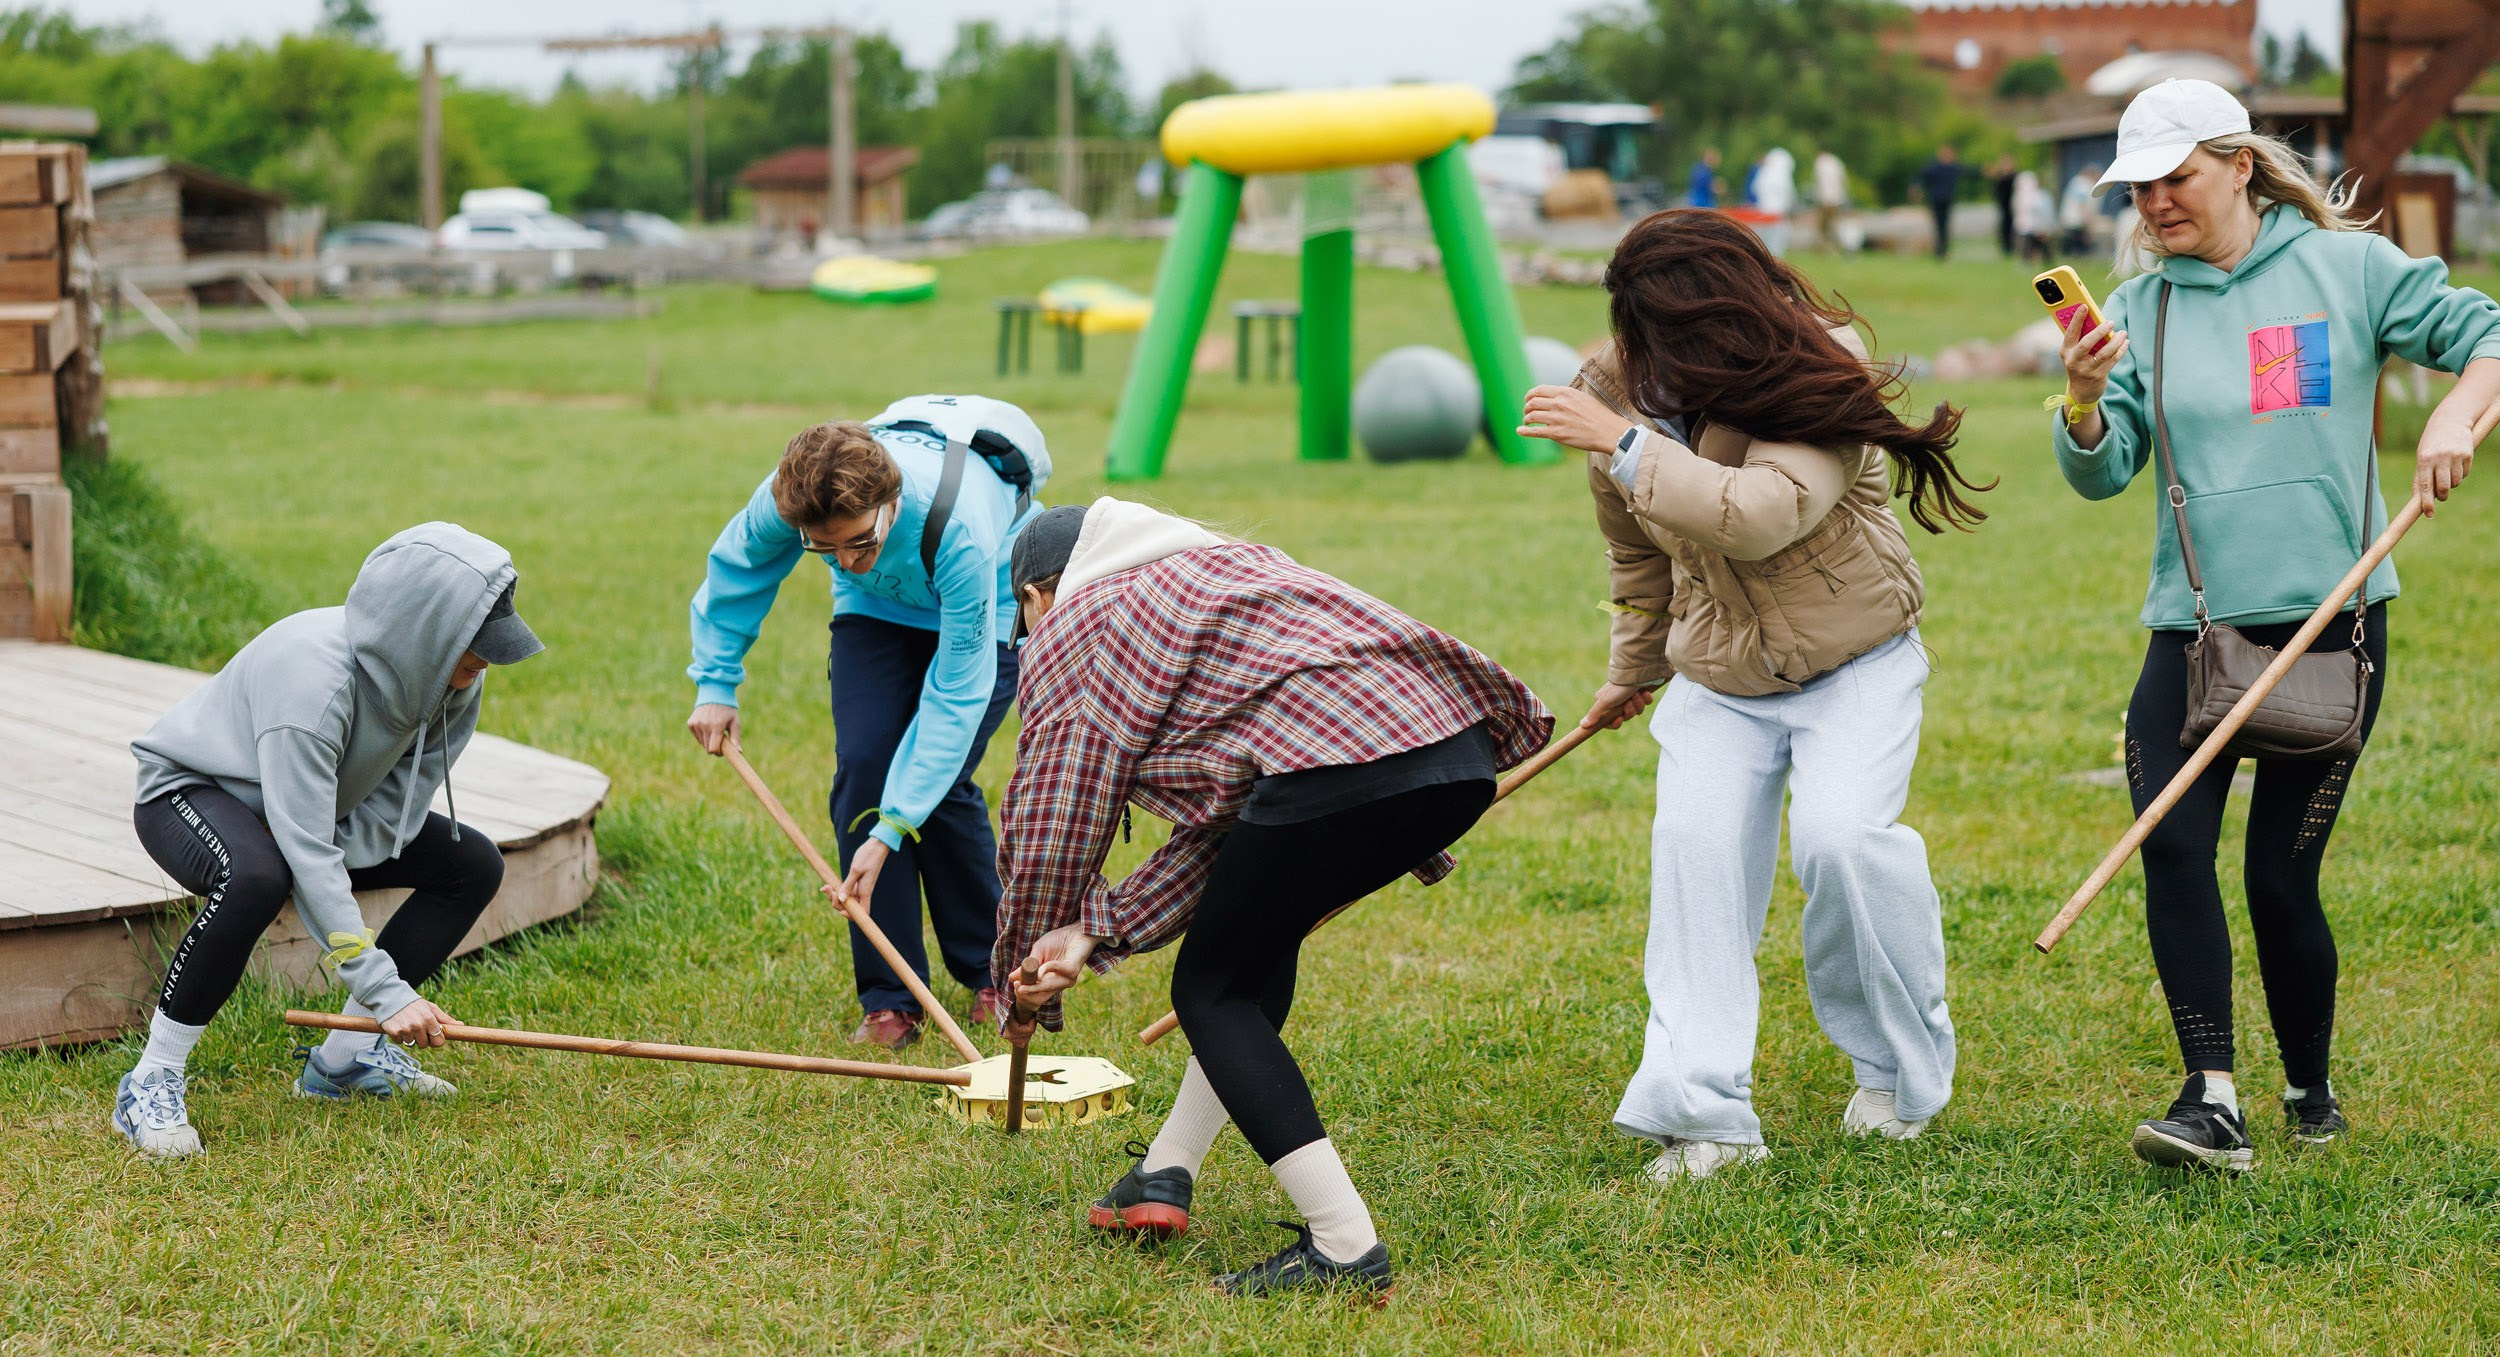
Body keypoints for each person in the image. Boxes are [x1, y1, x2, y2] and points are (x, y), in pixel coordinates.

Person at [2050, 79, 2500, 1171]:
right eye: (2139, 186)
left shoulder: (2343, 269)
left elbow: (2484, 329)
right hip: (2193, 632)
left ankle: (2309, 1087)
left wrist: (2452, 405)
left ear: (2238, 165)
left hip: (2330, 631)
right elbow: (2105, 471)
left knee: (2277, 879)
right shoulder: (2140, 310)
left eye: (2176, 178)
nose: (2155, 203)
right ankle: (2212, 1099)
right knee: (2170, 840)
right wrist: (2078, 397)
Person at [1517, 210, 1989, 1181]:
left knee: (1841, 843)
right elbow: (1636, 552)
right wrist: (1631, 666)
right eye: (1637, 329)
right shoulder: (1612, 387)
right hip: (1719, 677)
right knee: (1693, 862)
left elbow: (1761, 515)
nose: (1650, 358)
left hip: (1855, 661)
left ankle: (1897, 1074)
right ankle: (1706, 1117)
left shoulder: (1816, 369)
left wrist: (1625, 445)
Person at [992, 498, 1551, 1296]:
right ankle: (1162, 1174)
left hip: (1350, 770)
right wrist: (1093, 929)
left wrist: (1020, 967)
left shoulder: (1080, 621)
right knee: (1249, 958)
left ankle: (1345, 1248)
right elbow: (1240, 823)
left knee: (1210, 990)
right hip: (1451, 759)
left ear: (1035, 599)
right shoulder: (1219, 570)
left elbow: (1055, 814)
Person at [116, 525, 541, 1157]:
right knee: (258, 875)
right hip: (191, 792)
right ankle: (151, 1078)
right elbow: (305, 853)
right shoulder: (313, 686)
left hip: (304, 814)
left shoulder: (453, 681)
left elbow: (396, 809)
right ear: (427, 633)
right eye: (472, 646)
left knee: (470, 863)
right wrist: (384, 987)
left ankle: (342, 1062)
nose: (485, 661)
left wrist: (322, 874)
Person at [686, 399, 1047, 1049]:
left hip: (980, 605)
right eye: (825, 550)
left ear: (891, 504)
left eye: (861, 542)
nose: (847, 560)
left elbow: (955, 697)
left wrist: (895, 825)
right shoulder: (786, 500)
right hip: (878, 612)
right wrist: (716, 682)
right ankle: (892, 996)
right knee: (863, 775)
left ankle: (991, 970)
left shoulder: (958, 527)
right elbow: (738, 568)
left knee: (938, 788)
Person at [1918, 146, 1964, 260]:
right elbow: (1921, 177)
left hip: (1947, 201)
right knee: (1938, 227)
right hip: (1936, 200)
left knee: (1944, 227)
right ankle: (1939, 251)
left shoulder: (1953, 168)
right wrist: (1916, 187)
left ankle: (1943, 251)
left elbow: (1969, 170)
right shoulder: (1934, 168)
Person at [2013, 167, 2055, 265]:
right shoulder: (2022, 196)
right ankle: (2030, 261)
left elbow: (2042, 212)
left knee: (2039, 246)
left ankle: (2042, 261)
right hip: (2028, 227)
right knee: (2031, 246)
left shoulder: (2038, 196)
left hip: (2036, 226)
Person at [1812, 149, 1850, 252]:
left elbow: (1822, 184)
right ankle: (1835, 247)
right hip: (1836, 199)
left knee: (1824, 226)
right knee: (1833, 224)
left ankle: (1828, 248)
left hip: (1826, 200)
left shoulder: (1821, 163)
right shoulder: (1836, 162)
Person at [2058, 166, 2100, 255]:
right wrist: (2088, 221)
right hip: (2077, 221)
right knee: (2078, 248)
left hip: (2069, 219)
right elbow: (2082, 203)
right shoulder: (2083, 184)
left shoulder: (2076, 181)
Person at [1989, 155, 2018, 257]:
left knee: (2015, 227)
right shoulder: (2000, 177)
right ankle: (2006, 248)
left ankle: (2013, 246)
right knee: (2004, 226)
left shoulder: (2015, 176)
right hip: (2004, 205)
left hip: (2014, 205)